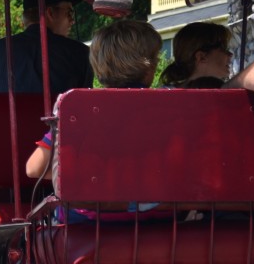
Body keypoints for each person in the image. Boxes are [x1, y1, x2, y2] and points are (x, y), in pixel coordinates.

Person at [26, 20, 161, 180]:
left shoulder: (79, 108)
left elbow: (33, 169)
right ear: (150, 66)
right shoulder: (165, 106)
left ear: (97, 64)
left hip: (89, 204)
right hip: (151, 203)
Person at [0, 0, 94, 96]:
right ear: (50, 13)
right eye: (69, 13)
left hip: (0, 126)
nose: (72, 21)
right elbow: (83, 107)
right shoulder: (80, 53)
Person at [159, 22, 254, 91]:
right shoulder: (165, 96)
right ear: (201, 57)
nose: (230, 54)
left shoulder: (164, 94)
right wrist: (227, 87)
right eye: (223, 48)